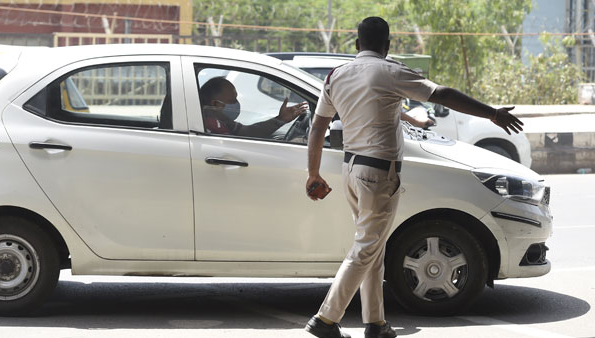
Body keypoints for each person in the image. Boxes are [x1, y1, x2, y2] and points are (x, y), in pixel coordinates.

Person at [304, 17, 523, 338]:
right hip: (378, 173)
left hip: (351, 170)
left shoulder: (336, 76)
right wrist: (492, 113)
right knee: (366, 248)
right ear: (387, 45)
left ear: (356, 45)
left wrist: (313, 173)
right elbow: (442, 93)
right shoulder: (391, 71)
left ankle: (375, 323)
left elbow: (318, 127)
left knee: (372, 246)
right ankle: (325, 319)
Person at [199, 77, 308, 138]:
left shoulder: (222, 121)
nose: (236, 104)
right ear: (215, 105)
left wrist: (280, 119)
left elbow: (247, 132)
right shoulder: (211, 126)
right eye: (232, 101)